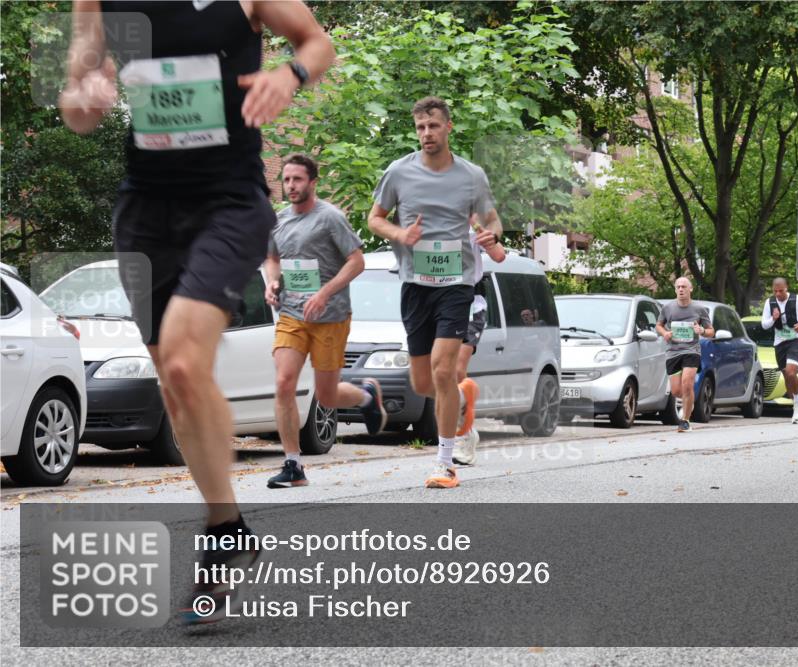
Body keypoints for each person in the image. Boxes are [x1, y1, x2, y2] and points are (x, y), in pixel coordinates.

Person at [60, 0, 334, 624]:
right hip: (146, 209)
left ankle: (223, 537)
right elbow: (76, 102)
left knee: (185, 364)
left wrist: (289, 75)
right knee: (174, 382)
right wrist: (87, 95)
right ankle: (226, 527)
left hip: (229, 201)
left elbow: (318, 42)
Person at [368, 96, 504, 489]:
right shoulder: (399, 172)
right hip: (415, 284)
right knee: (423, 384)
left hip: (457, 284)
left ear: (448, 127)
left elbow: (492, 220)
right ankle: (462, 402)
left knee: (444, 370)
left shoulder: (472, 176)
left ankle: (444, 464)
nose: (426, 133)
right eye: (420, 127)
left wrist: (491, 234)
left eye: (433, 126)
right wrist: (400, 234)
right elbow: (375, 219)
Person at [264, 153, 387, 488]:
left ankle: (366, 396)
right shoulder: (278, 220)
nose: (290, 185)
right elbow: (271, 257)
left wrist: (324, 293)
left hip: (330, 316)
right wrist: (272, 282)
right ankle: (293, 465)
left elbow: (357, 261)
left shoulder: (330, 218)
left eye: (297, 179)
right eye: (286, 179)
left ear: (313, 182)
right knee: (284, 383)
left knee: (327, 396)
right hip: (291, 314)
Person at [452, 219, 506, 466]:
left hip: (470, 305)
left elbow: (499, 255)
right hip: (436, 304)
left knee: (456, 369)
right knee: (439, 374)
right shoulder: (429, 221)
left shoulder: (472, 225)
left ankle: (463, 433)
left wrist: (480, 227)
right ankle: (458, 424)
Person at [655, 277, 715, 433]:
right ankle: (689, 401)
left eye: (684, 286)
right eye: (678, 287)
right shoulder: (668, 308)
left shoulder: (699, 309)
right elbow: (658, 325)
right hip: (673, 352)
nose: (681, 289)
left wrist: (702, 330)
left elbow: (711, 331)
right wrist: (665, 333)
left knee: (687, 384)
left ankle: (685, 421)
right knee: (676, 391)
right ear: (675, 289)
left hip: (691, 350)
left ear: (690, 289)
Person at [760, 277, 798, 424]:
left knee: (791, 372)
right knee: (787, 377)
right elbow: (764, 325)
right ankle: (795, 401)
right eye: (775, 291)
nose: (778, 294)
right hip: (780, 343)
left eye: (781, 291)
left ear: (787, 288)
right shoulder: (769, 302)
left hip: (796, 340)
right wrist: (773, 319)